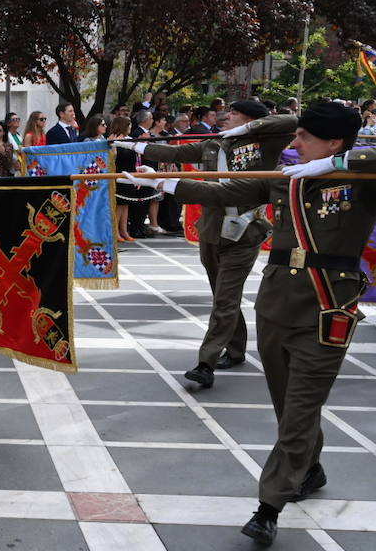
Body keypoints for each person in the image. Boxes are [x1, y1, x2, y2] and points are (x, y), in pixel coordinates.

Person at [124, 103, 376, 545]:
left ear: (334, 142)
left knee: (299, 409)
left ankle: (269, 506)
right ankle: (310, 468)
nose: (294, 143)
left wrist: (334, 164)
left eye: (304, 136)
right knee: (287, 401)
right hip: (277, 302)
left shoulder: (366, 179)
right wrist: (162, 183)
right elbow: (226, 191)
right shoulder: (286, 179)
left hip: (326, 306)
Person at [125, 100, 297, 386]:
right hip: (212, 230)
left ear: (251, 120)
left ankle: (206, 363)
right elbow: (175, 152)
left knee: (225, 298)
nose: (227, 116)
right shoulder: (214, 145)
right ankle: (236, 349)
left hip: (245, 232)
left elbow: (291, 121)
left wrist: (248, 128)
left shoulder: (266, 143)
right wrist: (134, 146)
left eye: (235, 114)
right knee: (223, 296)